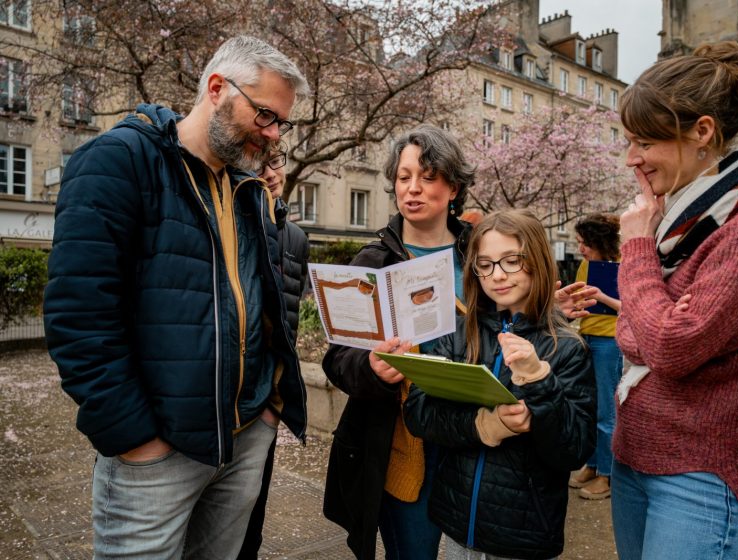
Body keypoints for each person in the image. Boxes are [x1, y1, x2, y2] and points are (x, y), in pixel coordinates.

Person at [43, 36, 310, 559]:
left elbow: (267, 298)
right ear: (217, 88)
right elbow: (78, 319)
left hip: (244, 436)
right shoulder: (117, 161)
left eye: (281, 122)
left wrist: (270, 409)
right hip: (155, 455)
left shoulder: (247, 185)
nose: (273, 135)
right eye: (264, 116)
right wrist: (136, 440)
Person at [321, 124, 597, 559]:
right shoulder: (374, 261)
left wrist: (544, 308)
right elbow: (338, 358)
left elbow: (510, 320)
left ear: (453, 186)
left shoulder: (481, 250)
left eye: (427, 177)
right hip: (407, 445)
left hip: (486, 444)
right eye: (403, 177)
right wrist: (372, 369)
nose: (412, 189)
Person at [612, 40, 738, 559]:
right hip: (635, 456)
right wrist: (657, 317)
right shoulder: (679, 227)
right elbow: (632, 333)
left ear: (702, 132)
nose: (632, 158)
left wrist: (636, 248)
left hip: (704, 477)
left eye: (644, 141)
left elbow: (669, 346)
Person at [403, 209, 596, 559]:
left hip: (522, 536)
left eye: (511, 261)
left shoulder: (565, 348)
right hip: (457, 522)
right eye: (486, 264)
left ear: (536, 260)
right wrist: (483, 425)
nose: (498, 275)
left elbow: (574, 449)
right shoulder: (462, 333)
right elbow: (418, 413)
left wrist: (539, 381)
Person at [239, 144, 310, 560]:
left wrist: (272, 406)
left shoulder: (295, 237)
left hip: (263, 404)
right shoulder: (228, 220)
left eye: (275, 160)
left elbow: (289, 320)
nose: (269, 171)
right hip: (214, 405)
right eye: (257, 160)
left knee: (251, 526)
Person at [568, 213, 622, 500]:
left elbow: (630, 307)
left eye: (584, 243)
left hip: (609, 342)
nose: (581, 249)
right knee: (589, 407)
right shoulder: (586, 266)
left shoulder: (624, 265)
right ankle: (592, 463)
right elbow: (579, 299)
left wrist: (600, 296)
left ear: (597, 241)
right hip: (587, 337)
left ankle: (607, 475)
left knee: (606, 412)